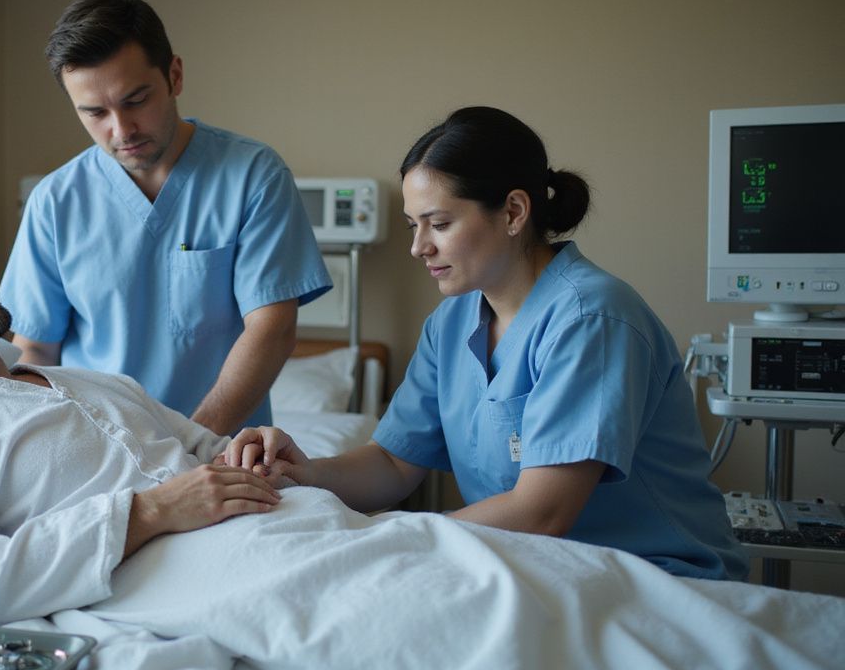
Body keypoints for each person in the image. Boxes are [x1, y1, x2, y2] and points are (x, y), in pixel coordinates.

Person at [226, 106, 748, 580]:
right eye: (413, 225)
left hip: (655, 577)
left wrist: (390, 539)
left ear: (515, 212)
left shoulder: (593, 319)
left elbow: (543, 512)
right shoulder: (451, 323)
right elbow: (392, 463)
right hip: (537, 570)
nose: (417, 247)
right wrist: (303, 473)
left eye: (440, 224)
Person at [0, 200, 285, 624]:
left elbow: (216, 455)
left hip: (299, 528)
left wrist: (257, 452)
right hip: (239, 582)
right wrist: (152, 511)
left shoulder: (99, 382)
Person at [0, 0, 331, 435]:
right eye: (95, 113)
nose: (121, 129)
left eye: (135, 101)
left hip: (219, 452)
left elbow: (271, 332)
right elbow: (36, 349)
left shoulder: (253, 175)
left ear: (174, 76)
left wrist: (187, 449)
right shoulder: (55, 201)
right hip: (101, 455)